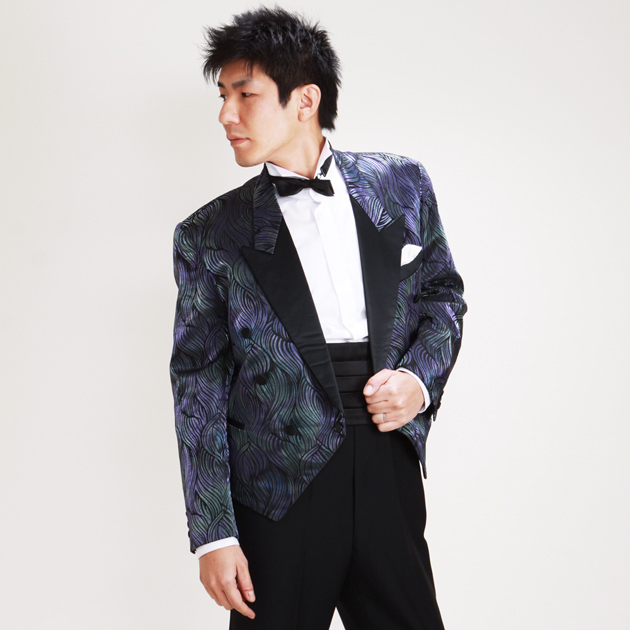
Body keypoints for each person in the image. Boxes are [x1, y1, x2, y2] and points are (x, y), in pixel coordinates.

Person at [170, 7, 466, 629]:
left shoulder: (402, 184)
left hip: (387, 462)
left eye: (245, 94)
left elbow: (442, 295)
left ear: (305, 100)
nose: (226, 115)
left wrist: (418, 381)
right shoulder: (209, 233)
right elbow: (197, 382)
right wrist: (213, 532)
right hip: (277, 486)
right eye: (223, 96)